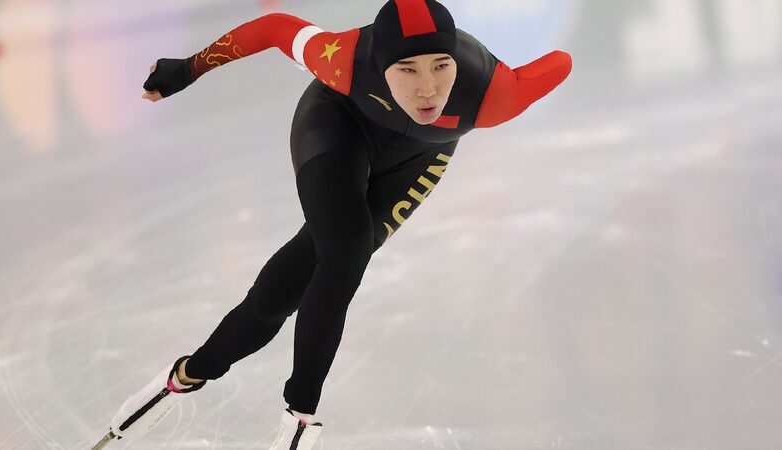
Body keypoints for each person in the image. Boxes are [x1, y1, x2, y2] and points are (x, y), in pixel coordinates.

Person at [102, 1, 572, 448]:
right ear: (381, 65)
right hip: (337, 123)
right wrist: (187, 69)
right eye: (407, 70)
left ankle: (189, 374)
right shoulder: (343, 59)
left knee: (290, 286)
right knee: (345, 252)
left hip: (419, 159)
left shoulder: (498, 94)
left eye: (440, 66)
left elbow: (562, 61)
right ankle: (299, 414)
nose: (427, 88)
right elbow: (272, 29)